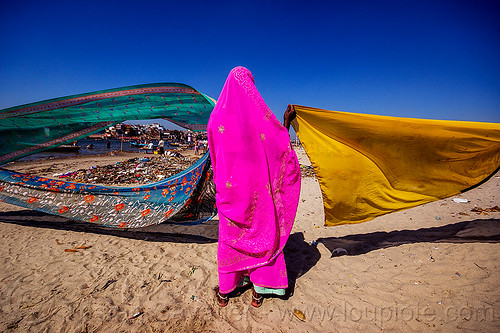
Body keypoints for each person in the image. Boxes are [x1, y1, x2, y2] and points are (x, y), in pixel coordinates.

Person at [207, 67, 301, 308]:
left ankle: (225, 292)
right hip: (258, 191)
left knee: (231, 237)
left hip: (230, 192)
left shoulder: (216, 118)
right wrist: (286, 124)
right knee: (262, 232)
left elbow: (215, 157)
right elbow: (278, 144)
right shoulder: (259, 118)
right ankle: (259, 291)